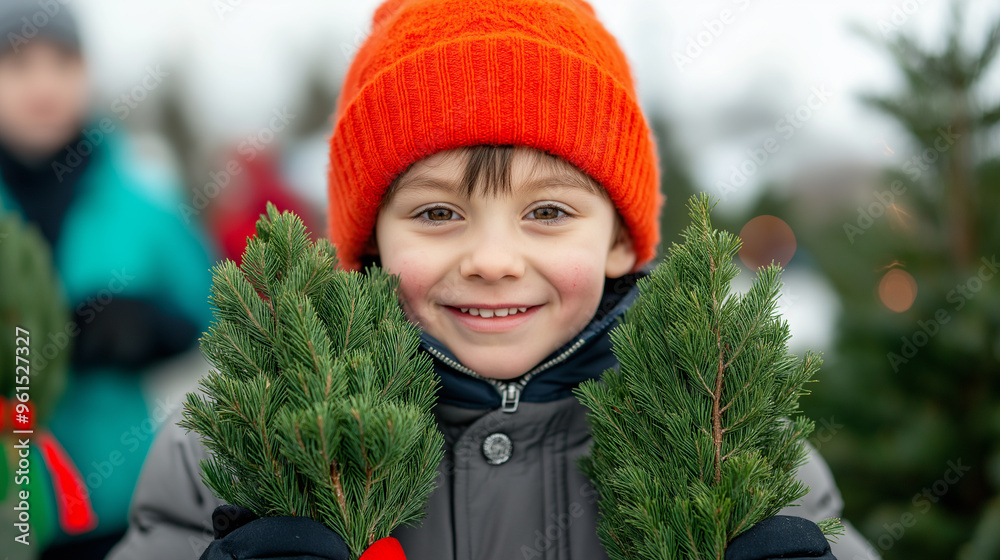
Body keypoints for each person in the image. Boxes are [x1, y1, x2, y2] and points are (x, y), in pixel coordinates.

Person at [107, 1, 880, 559]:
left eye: (547, 211)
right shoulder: (243, 440)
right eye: (439, 214)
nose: (493, 259)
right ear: (371, 238)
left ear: (619, 239)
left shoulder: (727, 432)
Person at [0, 1, 216, 557]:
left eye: (62, 62)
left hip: (112, 498)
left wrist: (152, 324)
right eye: (19, 63)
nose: (42, 85)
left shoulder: (138, 198)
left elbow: (212, 299)